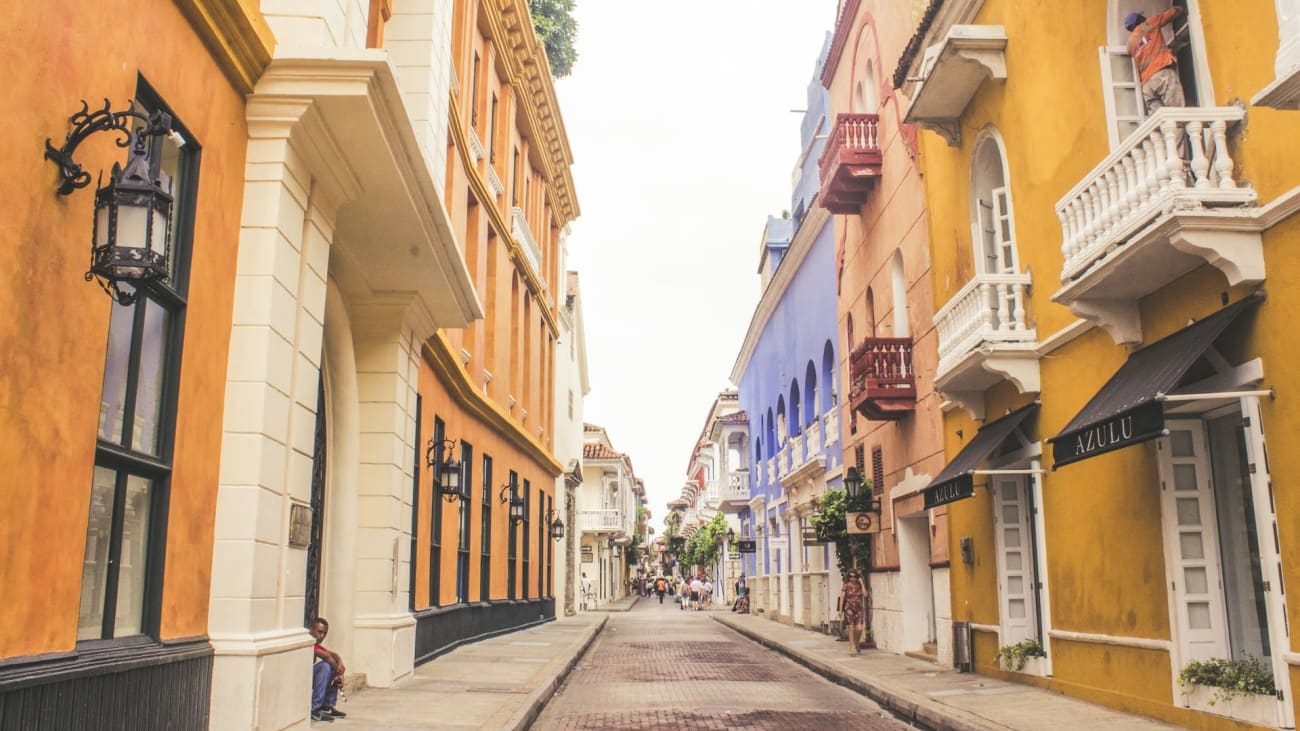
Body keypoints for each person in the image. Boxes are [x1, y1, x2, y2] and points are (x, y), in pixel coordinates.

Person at [1124, 7, 1186, 114]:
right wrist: (1181, 8)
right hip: (1161, 74)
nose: (1144, 17)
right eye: (1141, 16)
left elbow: (1149, 50)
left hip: (1147, 85)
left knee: (1160, 122)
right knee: (1177, 113)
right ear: (1139, 19)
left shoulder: (1130, 44)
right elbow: (1170, 14)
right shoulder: (1149, 24)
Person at [309, 617, 347, 722]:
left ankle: (326, 706)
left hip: (308, 678)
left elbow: (334, 654)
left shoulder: (316, 644)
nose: (322, 636)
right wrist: (339, 673)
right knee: (326, 667)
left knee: (331, 667)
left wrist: (340, 663)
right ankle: (314, 708)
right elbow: (327, 657)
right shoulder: (308, 643)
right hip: (299, 678)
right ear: (311, 629)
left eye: (325, 633)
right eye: (319, 632)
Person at [838, 569, 869, 656]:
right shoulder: (846, 585)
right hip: (849, 608)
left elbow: (865, 595)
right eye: (850, 576)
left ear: (857, 577)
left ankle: (856, 642)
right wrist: (840, 611)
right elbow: (842, 597)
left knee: (859, 628)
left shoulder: (860, 585)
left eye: (854, 576)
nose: (852, 578)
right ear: (848, 577)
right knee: (851, 628)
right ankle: (852, 648)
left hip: (859, 609)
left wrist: (862, 583)